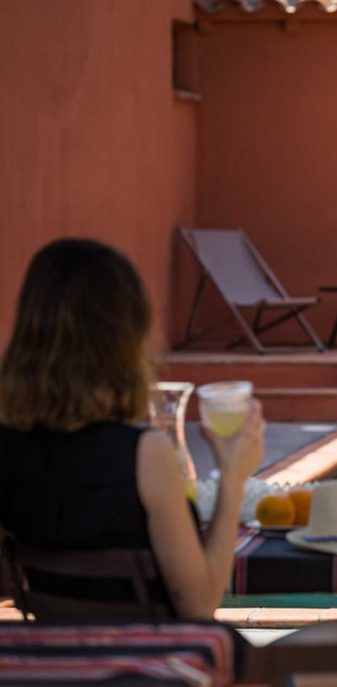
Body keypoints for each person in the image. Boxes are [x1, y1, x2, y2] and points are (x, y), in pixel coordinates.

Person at [0, 238, 265, 619]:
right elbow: (200, 606)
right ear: (125, 338)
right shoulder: (145, 456)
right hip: (150, 654)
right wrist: (233, 479)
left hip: (51, 647)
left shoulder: (9, 448)